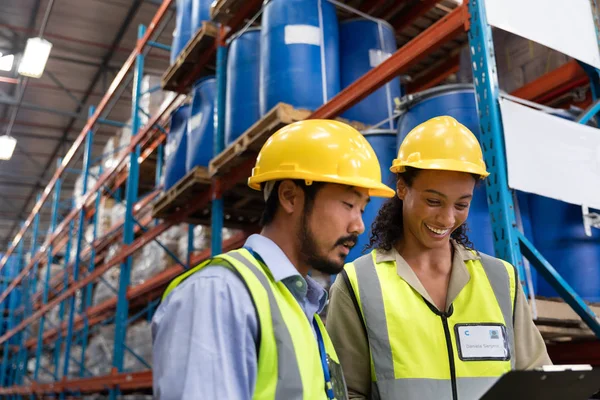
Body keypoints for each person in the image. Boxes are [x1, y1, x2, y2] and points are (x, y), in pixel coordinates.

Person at [152, 119, 395, 400]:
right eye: (348, 205)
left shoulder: (305, 311)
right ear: (290, 196)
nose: (359, 226)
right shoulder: (218, 295)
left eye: (362, 209)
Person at [325, 116, 551, 400]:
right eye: (433, 201)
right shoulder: (359, 283)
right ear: (403, 187)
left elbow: (536, 378)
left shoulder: (500, 279)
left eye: (462, 205)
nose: (446, 218)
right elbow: (347, 393)